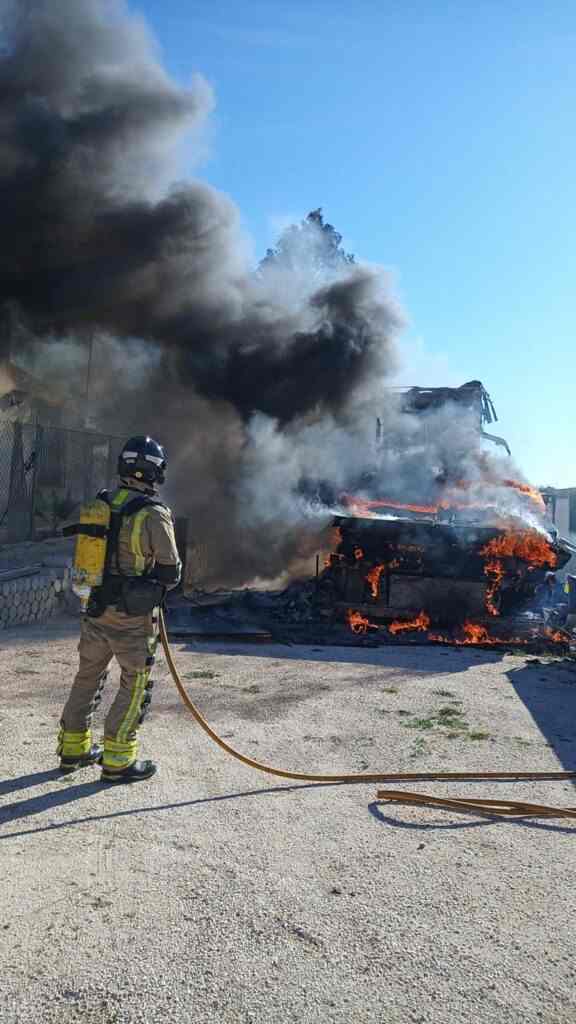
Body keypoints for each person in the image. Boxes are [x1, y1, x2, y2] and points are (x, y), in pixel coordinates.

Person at [58, 436, 181, 784]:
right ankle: (117, 759)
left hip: (94, 607)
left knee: (88, 676)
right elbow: (171, 572)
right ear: (156, 473)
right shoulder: (154, 514)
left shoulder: (101, 502)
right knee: (135, 682)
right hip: (131, 617)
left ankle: (73, 749)